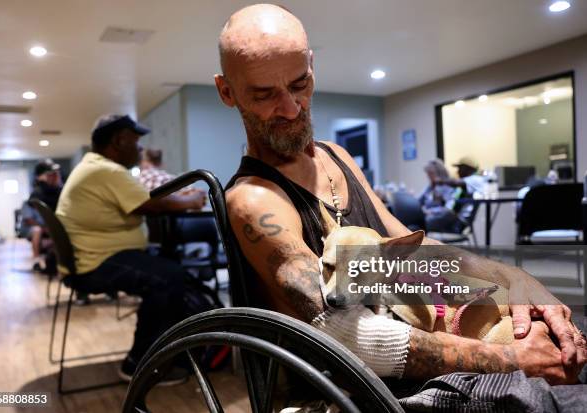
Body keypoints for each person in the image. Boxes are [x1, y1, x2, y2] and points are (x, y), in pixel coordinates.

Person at [216, 3, 586, 405]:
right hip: (351, 390)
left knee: (572, 333)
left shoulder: (336, 156)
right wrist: (513, 357)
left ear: (312, 67)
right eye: (265, 94)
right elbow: (343, 333)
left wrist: (514, 280)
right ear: (227, 92)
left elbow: (412, 249)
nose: (290, 108)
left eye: (299, 83)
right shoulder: (253, 199)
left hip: (418, 361)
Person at [56, 114, 208, 384]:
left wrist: (176, 199)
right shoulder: (107, 170)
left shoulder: (95, 167)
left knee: (171, 271)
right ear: (118, 141)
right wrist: (192, 199)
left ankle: (176, 348)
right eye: (136, 142)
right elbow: (152, 205)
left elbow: (145, 199)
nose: (140, 149)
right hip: (95, 263)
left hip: (93, 257)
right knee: (168, 277)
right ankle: (139, 362)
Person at [20, 159, 63, 272]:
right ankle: (36, 261)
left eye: (55, 175)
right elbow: (28, 219)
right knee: (37, 229)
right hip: (36, 227)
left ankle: (56, 260)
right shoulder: (37, 194)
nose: (53, 177)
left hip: (51, 226)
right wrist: (45, 228)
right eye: (50, 175)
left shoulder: (59, 191)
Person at [419, 159, 462, 233]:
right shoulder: (430, 187)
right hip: (427, 216)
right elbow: (418, 201)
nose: (428, 176)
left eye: (430, 173)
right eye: (428, 174)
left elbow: (448, 209)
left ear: (439, 173)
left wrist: (429, 211)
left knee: (415, 226)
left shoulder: (449, 186)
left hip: (441, 220)